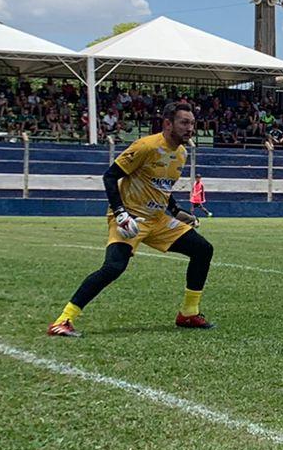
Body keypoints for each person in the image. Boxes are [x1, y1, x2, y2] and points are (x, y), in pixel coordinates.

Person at [48, 101, 216, 337]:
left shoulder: (181, 153)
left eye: (192, 123)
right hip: (130, 218)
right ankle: (63, 320)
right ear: (168, 124)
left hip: (157, 220)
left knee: (203, 250)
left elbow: (160, 187)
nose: (190, 128)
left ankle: (189, 313)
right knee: (114, 267)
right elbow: (110, 176)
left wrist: (177, 211)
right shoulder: (146, 146)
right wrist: (120, 213)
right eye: (184, 123)